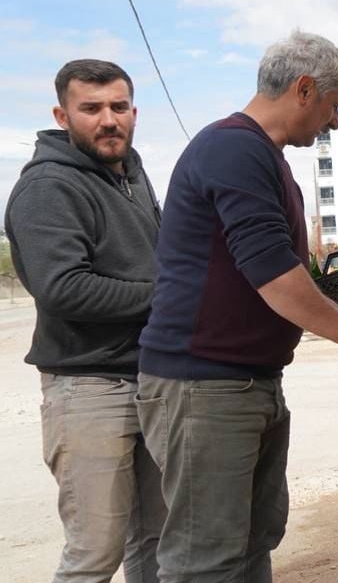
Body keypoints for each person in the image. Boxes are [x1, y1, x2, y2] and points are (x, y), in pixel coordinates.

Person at [135, 31, 338, 581]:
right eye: (334, 106)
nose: (335, 123)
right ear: (303, 88)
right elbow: (271, 272)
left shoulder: (261, 156)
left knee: (250, 545)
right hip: (205, 388)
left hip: (245, 384)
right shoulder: (233, 148)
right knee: (206, 561)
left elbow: (272, 267)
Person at [4, 59, 165, 582]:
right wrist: (170, 295)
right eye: (91, 108)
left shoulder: (133, 174)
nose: (108, 119)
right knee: (95, 551)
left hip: (149, 379)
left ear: (134, 111)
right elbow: (63, 288)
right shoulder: (48, 187)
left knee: (156, 542)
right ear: (63, 113)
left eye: (118, 107)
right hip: (88, 387)